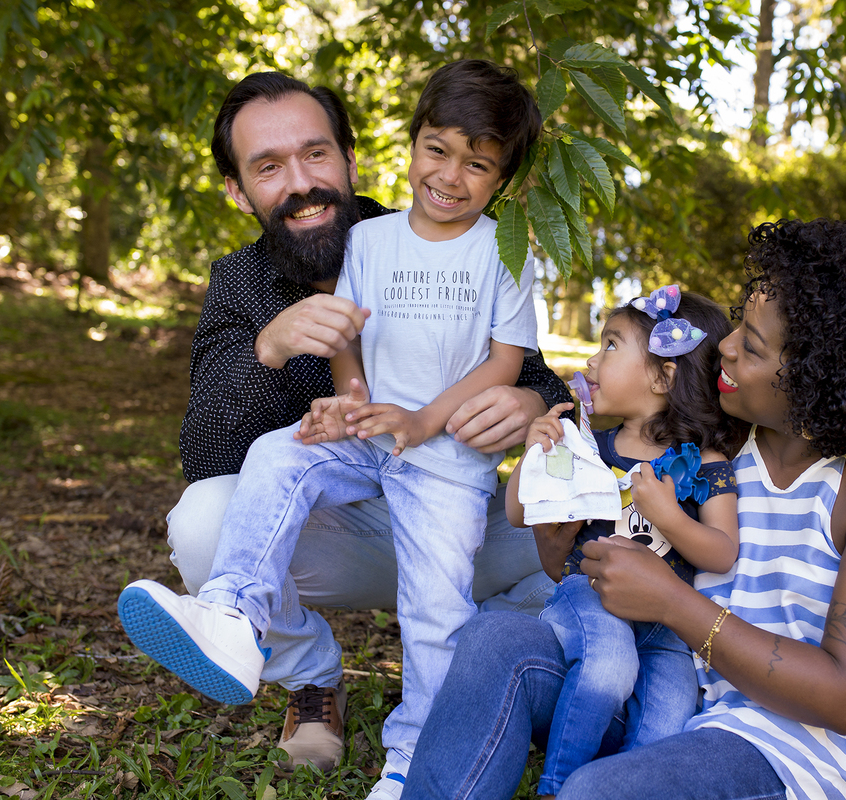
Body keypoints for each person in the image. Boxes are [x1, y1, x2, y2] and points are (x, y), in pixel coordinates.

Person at [399, 218, 846, 800]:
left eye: (754, 345)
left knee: (599, 793)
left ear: (818, 379)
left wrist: (673, 602)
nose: (726, 345)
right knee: (494, 643)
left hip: (794, 760)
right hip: (663, 706)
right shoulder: (704, 449)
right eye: (739, 324)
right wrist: (559, 539)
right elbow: (608, 569)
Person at [151, 69, 569, 783]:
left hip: (454, 509)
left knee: (575, 528)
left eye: (316, 154)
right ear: (237, 189)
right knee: (204, 521)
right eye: (268, 166)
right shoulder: (240, 285)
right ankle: (286, 660)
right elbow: (209, 450)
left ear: (351, 159)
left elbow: (535, 378)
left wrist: (534, 406)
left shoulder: (453, 240)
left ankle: (489, 670)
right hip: (347, 523)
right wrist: (271, 351)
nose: (301, 182)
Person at [506, 287, 742, 797]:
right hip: (592, 597)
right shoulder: (588, 446)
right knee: (609, 667)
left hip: (670, 629)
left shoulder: (707, 463)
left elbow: (722, 551)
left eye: (611, 345)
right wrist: (537, 452)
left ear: (664, 376)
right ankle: (557, 785)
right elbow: (518, 512)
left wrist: (669, 517)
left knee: (670, 717)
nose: (592, 358)